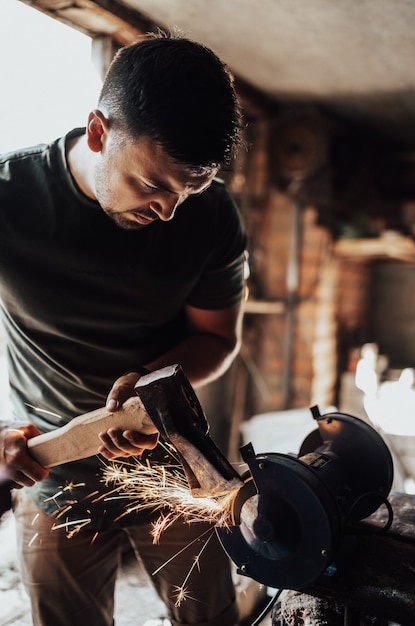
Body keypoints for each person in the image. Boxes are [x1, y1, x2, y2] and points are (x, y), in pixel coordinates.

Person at [0, 33, 247, 626]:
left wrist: (151, 388)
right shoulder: (10, 198)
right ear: (98, 132)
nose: (168, 211)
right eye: (152, 185)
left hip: (177, 462)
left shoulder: (210, 217)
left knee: (211, 617)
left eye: (188, 192)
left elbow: (218, 339)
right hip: (51, 471)